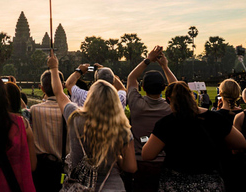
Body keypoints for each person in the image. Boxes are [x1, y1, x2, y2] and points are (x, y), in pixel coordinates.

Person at [48, 52, 136, 191]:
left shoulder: (75, 117)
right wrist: (116, 158)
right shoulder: (122, 127)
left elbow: (59, 92)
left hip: (79, 185)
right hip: (112, 186)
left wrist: (54, 68)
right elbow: (130, 167)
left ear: (90, 97)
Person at [142, 81, 246, 191]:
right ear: (192, 96)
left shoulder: (166, 123)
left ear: (168, 99)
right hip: (209, 183)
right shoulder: (215, 119)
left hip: (176, 184)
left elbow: (147, 154)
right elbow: (241, 143)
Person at [126, 46, 176, 192]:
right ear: (163, 88)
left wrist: (148, 59)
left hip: (139, 162)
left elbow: (131, 78)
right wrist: (165, 67)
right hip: (165, 162)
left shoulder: (137, 104)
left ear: (142, 87)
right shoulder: (169, 107)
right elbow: (176, 87)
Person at [30, 70, 68, 192]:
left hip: (41, 169)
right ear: (62, 86)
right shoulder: (71, 111)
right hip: (64, 168)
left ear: (42, 89)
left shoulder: (34, 110)